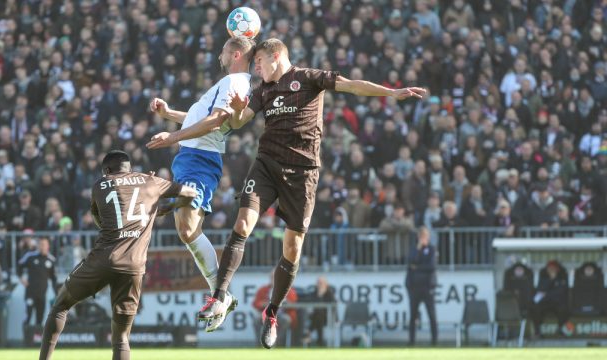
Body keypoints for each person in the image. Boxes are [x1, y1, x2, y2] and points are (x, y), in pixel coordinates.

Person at [163, 38, 424, 348]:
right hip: (266, 167)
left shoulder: (310, 78)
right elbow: (239, 120)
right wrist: (235, 111)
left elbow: (353, 86)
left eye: (259, 61)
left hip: (302, 174)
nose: (255, 67)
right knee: (243, 224)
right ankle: (219, 296)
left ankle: (272, 312)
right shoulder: (262, 92)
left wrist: (390, 92)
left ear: (276, 56)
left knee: (292, 248)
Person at [39, 150, 196, 360]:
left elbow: (102, 222)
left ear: (106, 170)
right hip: (133, 266)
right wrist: (167, 208)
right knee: (121, 337)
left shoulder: (99, 185)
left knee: (61, 304)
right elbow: (190, 193)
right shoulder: (151, 181)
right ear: (129, 168)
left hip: (103, 259)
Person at [146, 36, 255, 331]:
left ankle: (220, 294)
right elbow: (202, 117)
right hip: (192, 155)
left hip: (199, 157)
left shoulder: (236, 82)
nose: (219, 54)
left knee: (189, 226)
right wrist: (169, 115)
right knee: (186, 229)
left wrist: (172, 137)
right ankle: (221, 294)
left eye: (223, 50)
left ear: (235, 53)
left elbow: (216, 121)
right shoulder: (229, 83)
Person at [406, 227, 438, 346]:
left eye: (424, 236)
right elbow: (410, 263)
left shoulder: (432, 249)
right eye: (421, 236)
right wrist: (418, 250)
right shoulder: (414, 249)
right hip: (414, 287)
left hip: (428, 286)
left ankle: (434, 341)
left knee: (432, 315)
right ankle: (411, 341)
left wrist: (417, 268)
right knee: (413, 316)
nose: (423, 238)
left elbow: (431, 266)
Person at [18, 237, 58, 326]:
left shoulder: (51, 260)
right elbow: (19, 265)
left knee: (40, 318)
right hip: (30, 292)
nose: (42, 247)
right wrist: (21, 278)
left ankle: (37, 338)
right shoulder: (30, 256)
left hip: (42, 294)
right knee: (28, 316)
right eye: (40, 244)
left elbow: (54, 278)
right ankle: (27, 338)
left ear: (48, 246)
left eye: (44, 245)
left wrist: (56, 294)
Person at [531, 260, 569, 338]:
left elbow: (560, 292)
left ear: (557, 269)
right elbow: (540, 290)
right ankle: (537, 332)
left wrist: (547, 294)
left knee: (564, 309)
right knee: (535, 309)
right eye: (550, 268)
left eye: (553, 268)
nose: (551, 270)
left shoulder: (562, 278)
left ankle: (560, 330)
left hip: (557, 303)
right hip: (545, 303)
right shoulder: (543, 278)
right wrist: (550, 280)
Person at [307, 276, 336, 347]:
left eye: (321, 283)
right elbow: (311, 304)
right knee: (318, 317)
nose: (319, 285)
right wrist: (319, 296)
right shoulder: (314, 293)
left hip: (327, 318)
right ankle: (320, 342)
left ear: (326, 284)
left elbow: (333, 307)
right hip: (315, 317)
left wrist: (321, 296)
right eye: (318, 283)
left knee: (319, 315)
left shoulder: (330, 294)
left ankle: (308, 332)